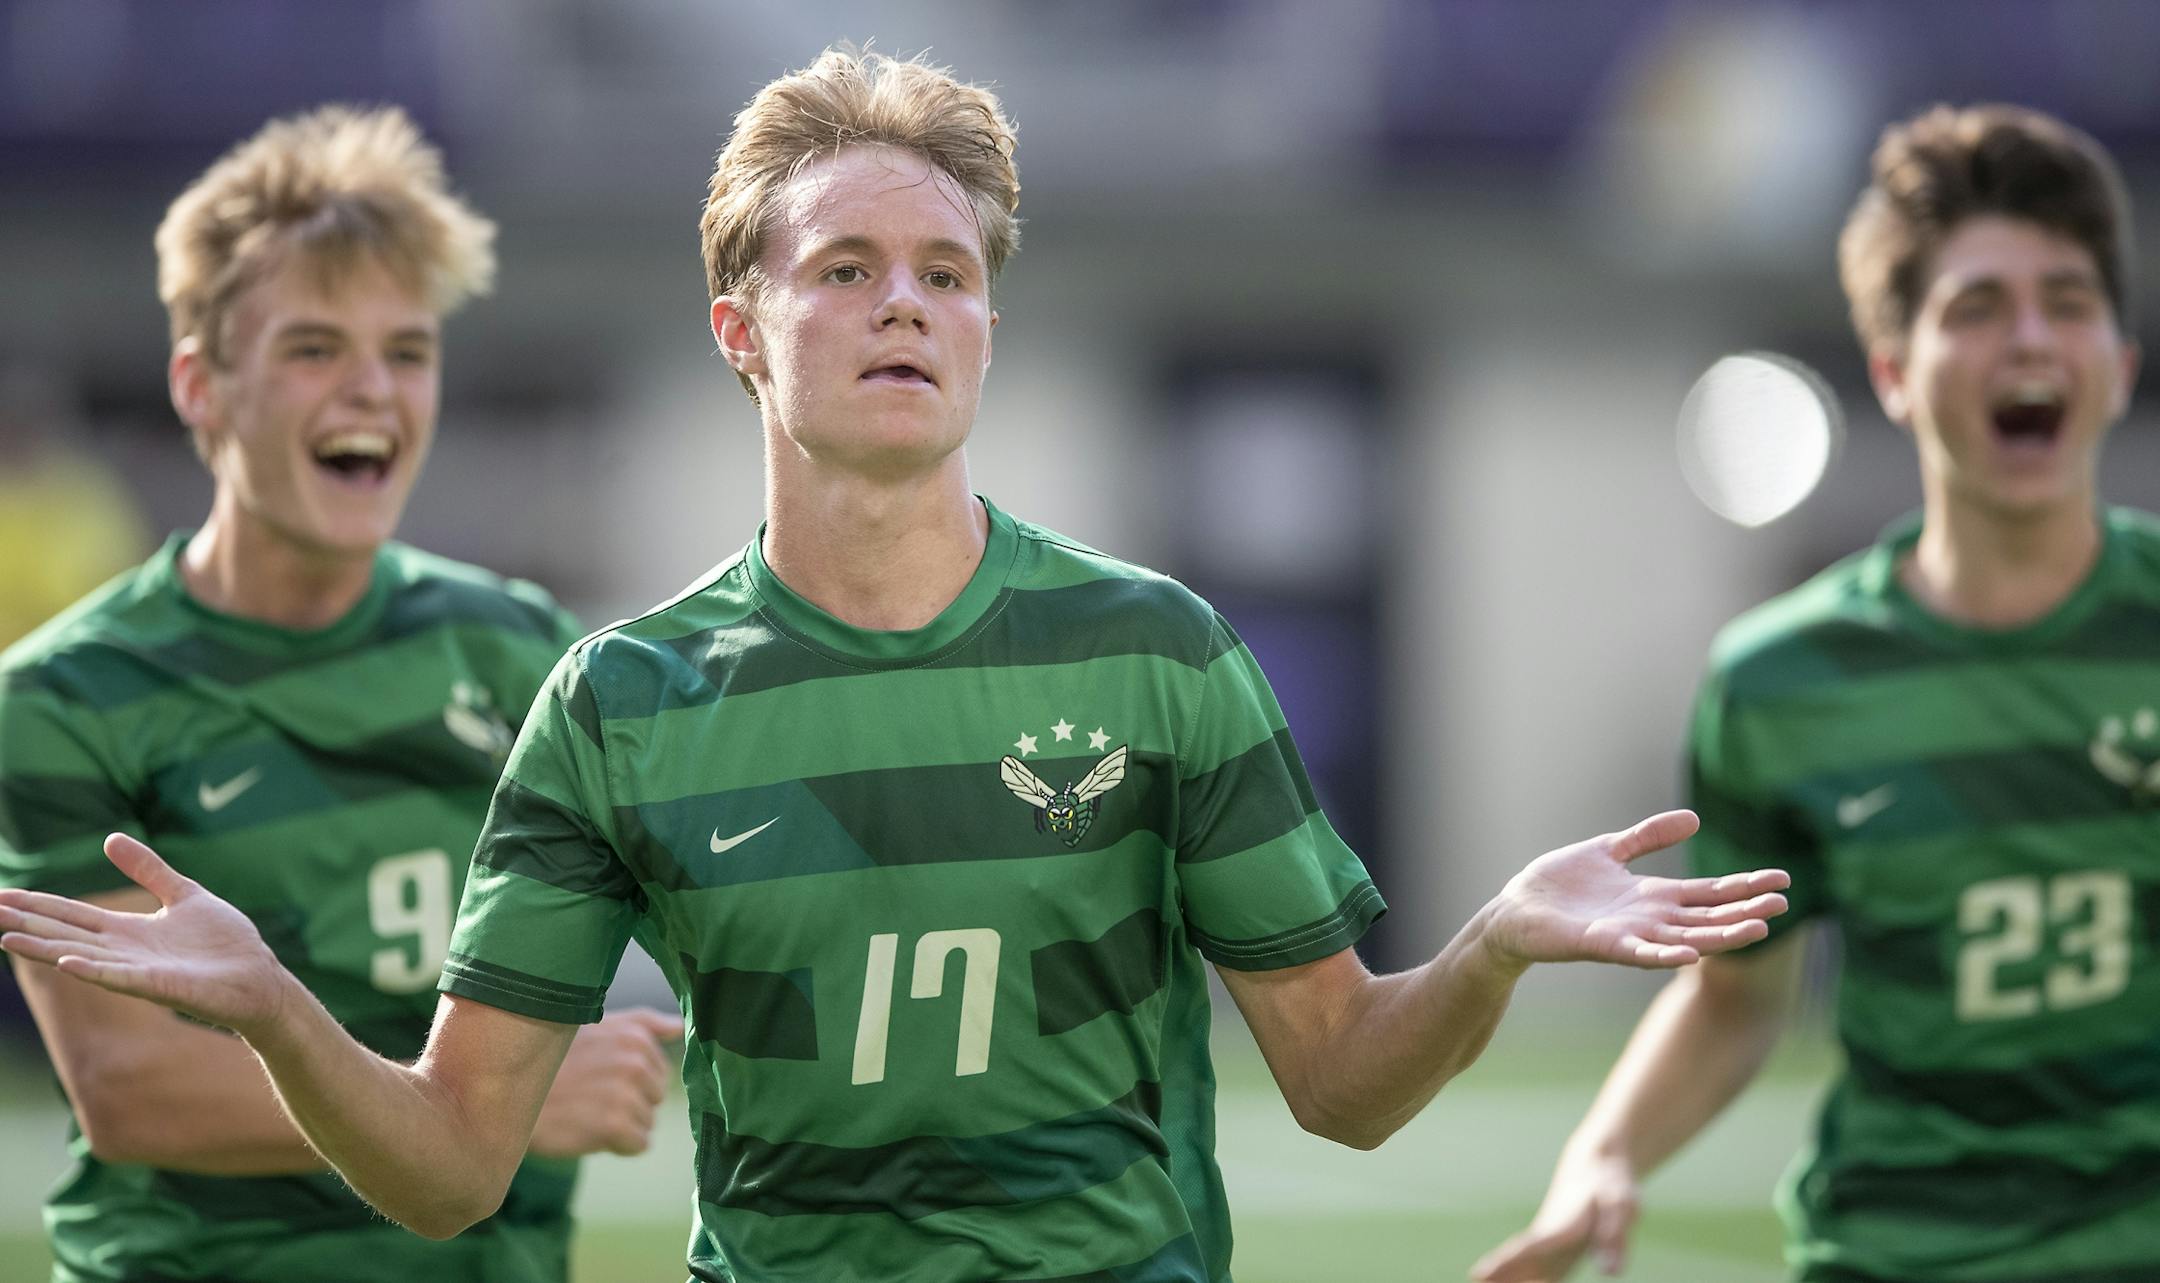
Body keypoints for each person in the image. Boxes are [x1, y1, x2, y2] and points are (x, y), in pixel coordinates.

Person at [0, 52, 1787, 1283]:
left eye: (945, 272)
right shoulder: (618, 700)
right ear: (742, 329)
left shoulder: (1156, 649)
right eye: (845, 268)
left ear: (990, 327)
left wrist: (1488, 946)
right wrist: (279, 1005)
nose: (906, 302)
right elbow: (456, 1164)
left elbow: (1342, 1083)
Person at [0, 105, 681, 1283]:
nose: (372, 389)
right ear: (201, 387)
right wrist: (494, 1103)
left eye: (407, 352)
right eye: (313, 348)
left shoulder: (521, 649)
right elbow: (131, 1086)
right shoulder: (66, 695)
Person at [1475, 104, 2153, 1283]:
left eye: (2068, 301)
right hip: (1894, 1252)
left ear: (2122, 364)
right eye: (1977, 307)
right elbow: (1738, 999)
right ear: (1892, 371)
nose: (2031, 339)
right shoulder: (1780, 682)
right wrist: (1604, 1151)